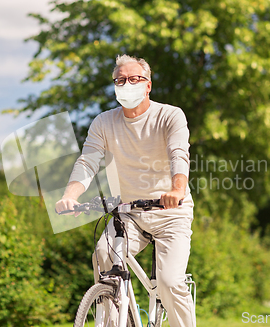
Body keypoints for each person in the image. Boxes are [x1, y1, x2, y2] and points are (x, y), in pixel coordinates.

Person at [55, 54, 195, 327]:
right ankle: (114, 318)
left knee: (169, 282)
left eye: (134, 79)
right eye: (120, 80)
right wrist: (70, 195)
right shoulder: (104, 122)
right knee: (103, 255)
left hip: (170, 212)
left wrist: (177, 189)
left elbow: (179, 153)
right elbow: (87, 161)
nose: (126, 84)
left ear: (148, 85)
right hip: (129, 213)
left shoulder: (169, 115)